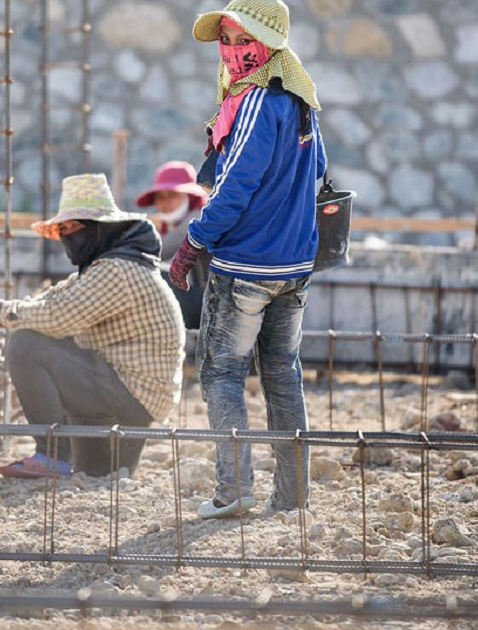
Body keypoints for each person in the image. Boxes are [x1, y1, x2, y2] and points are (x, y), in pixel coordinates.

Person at [169, 0, 327, 519]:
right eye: (229, 41)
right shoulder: (300, 99)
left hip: (245, 268)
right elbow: (319, 167)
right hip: (294, 268)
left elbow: (233, 188)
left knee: (221, 374)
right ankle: (293, 497)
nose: (235, 53)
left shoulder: (256, 101)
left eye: (246, 42)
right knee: (283, 374)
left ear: (271, 46)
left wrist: (192, 242)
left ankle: (233, 489)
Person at [0, 173, 185, 478]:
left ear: (99, 229)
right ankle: (68, 456)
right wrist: (12, 308)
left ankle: (52, 454)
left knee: (26, 344)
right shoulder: (105, 267)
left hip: (129, 395)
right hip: (127, 397)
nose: (67, 236)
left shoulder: (116, 270)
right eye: (62, 229)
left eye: (72, 228)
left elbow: (57, 317)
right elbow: (53, 300)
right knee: (96, 474)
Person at [135, 161, 211, 329]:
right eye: (160, 197)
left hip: (215, 306)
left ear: (189, 197)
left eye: (172, 195)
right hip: (205, 301)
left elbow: (157, 252)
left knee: (156, 275)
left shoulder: (198, 218)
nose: (165, 202)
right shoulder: (171, 224)